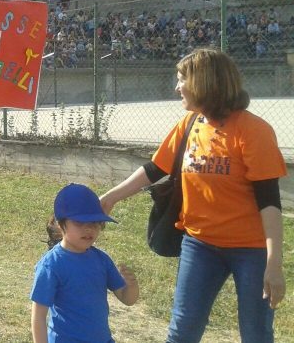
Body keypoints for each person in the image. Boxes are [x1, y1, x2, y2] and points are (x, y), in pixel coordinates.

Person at [99, 48, 287, 343]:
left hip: (250, 250)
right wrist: (110, 197)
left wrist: (273, 263)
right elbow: (154, 168)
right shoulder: (190, 124)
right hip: (200, 244)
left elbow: (270, 203)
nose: (176, 87)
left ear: (203, 82)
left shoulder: (254, 131)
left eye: (181, 79)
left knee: (256, 334)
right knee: (182, 331)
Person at [30, 184, 139, 343]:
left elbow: (127, 299)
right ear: (61, 225)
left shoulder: (102, 260)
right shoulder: (51, 265)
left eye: (95, 223)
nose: (89, 229)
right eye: (80, 223)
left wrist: (132, 286)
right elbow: (38, 316)